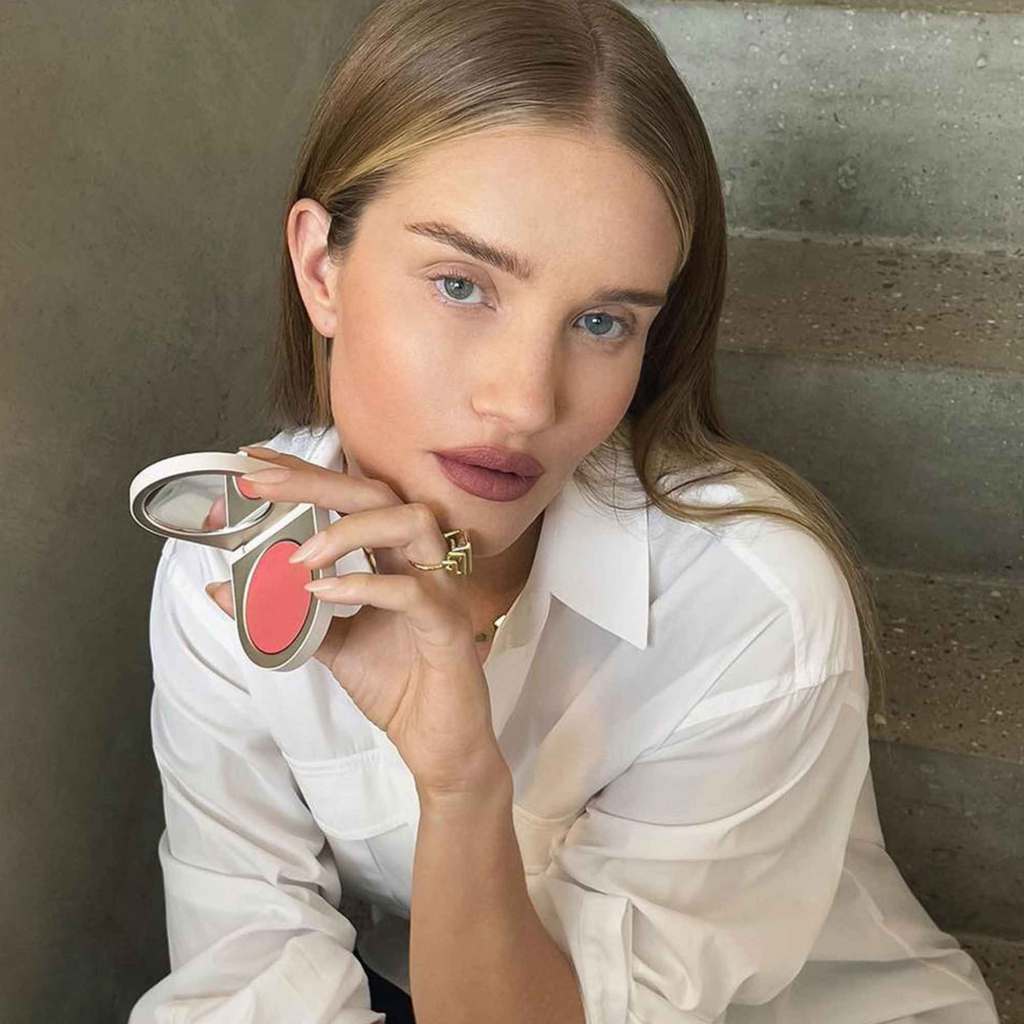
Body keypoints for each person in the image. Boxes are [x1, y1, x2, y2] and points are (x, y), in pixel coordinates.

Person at [128, 1, 1001, 1021]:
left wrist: (462, 784)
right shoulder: (227, 563)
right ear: (323, 268)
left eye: (599, 321)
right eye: (461, 285)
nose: (526, 404)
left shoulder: (748, 606)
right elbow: (249, 966)